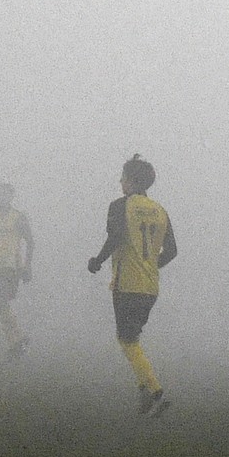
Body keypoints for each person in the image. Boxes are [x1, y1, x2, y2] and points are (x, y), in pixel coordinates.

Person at [86, 154, 177, 417]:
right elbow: (172, 250)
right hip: (150, 286)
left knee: (126, 339)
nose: (120, 182)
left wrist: (97, 261)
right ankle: (144, 395)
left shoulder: (120, 206)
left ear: (131, 180)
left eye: (123, 177)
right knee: (132, 337)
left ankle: (157, 393)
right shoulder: (160, 210)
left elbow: (114, 237)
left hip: (126, 283)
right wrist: (150, 266)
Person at [0, 182, 34, 358]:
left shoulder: (18, 217)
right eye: (0, 194)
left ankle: (19, 337)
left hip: (11, 266)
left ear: (11, 196)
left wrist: (27, 265)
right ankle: (15, 342)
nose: (2, 197)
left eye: (6, 194)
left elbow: (30, 241)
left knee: (2, 302)